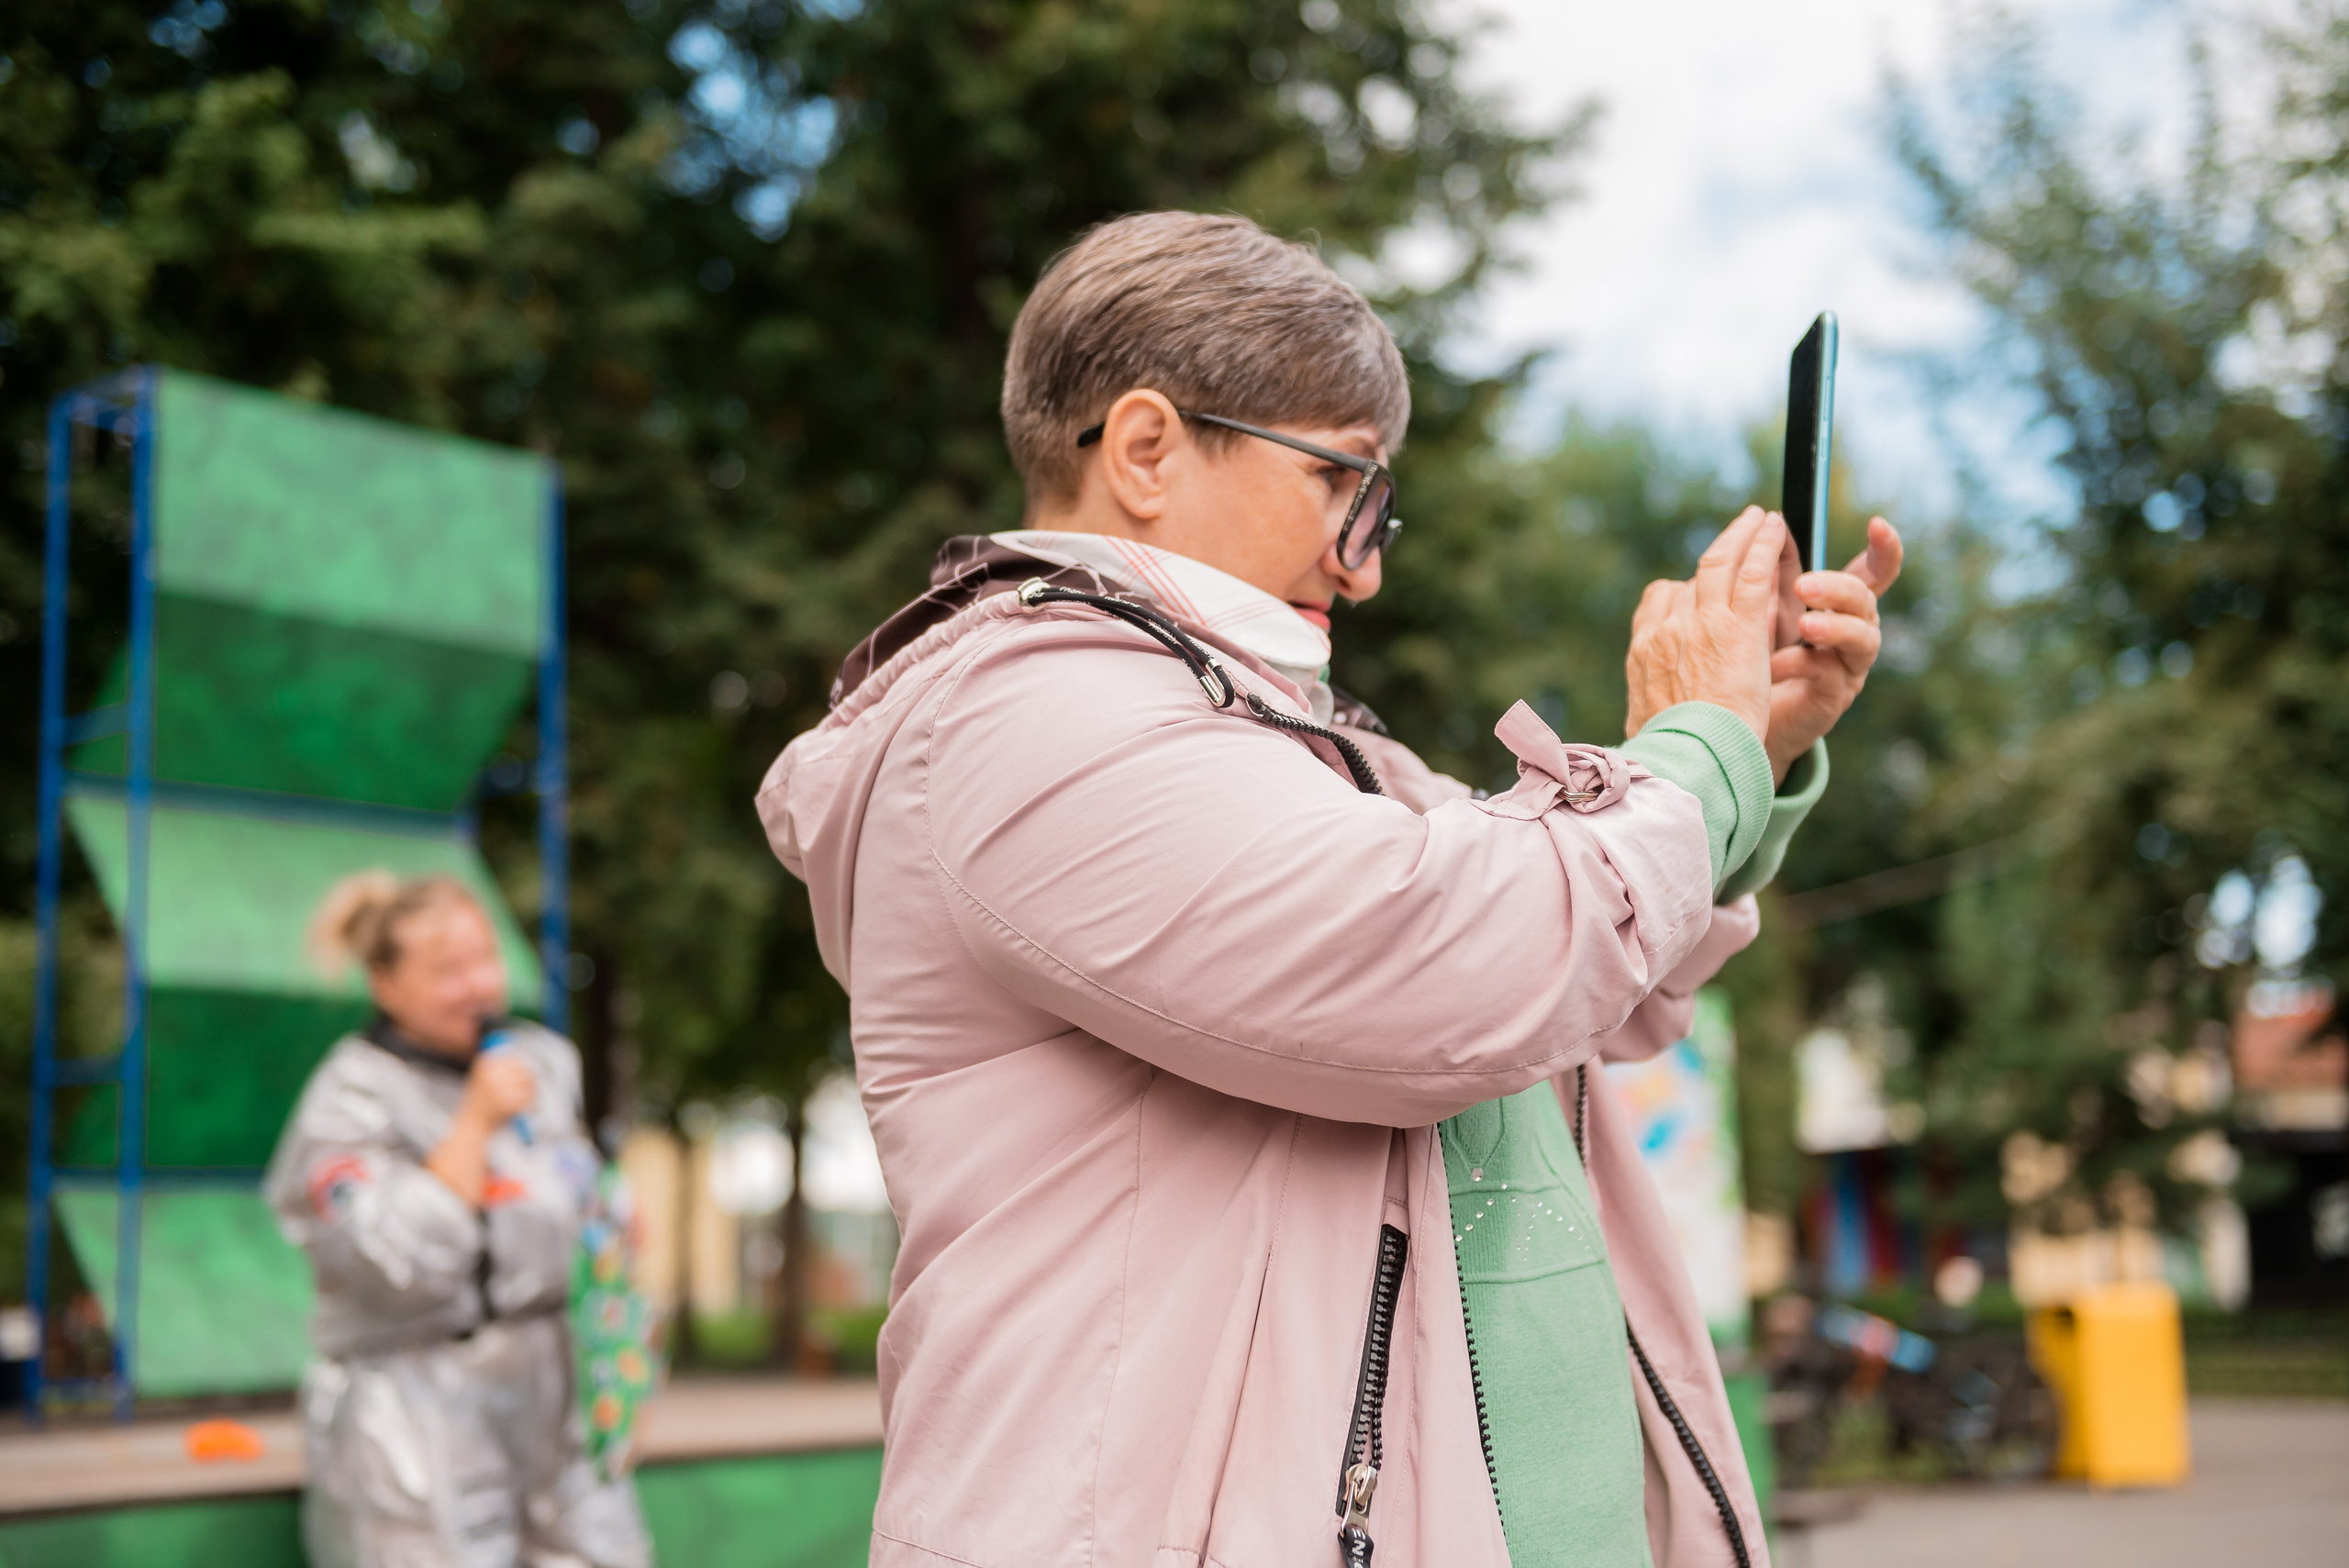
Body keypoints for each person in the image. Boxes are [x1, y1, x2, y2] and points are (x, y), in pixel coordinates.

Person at [758, 211, 1902, 1568]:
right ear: (1144, 449)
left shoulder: (1269, 735)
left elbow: (1583, 981)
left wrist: (1749, 748)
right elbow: (1470, 971)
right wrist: (1689, 749)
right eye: (1342, 483)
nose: (1366, 558)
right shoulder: (1028, 719)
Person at [265, 872, 652, 1568]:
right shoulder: (349, 1096)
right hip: (416, 1406)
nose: (479, 985)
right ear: (385, 983)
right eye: (449, 969)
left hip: (556, 1398)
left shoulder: (539, 1060)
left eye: (486, 959)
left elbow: (573, 1194)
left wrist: (612, 1223)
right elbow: (397, 1261)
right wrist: (473, 1122)